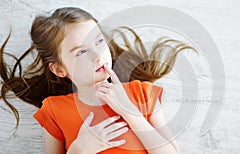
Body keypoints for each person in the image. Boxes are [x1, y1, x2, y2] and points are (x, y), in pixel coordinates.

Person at [0, 7, 195, 153]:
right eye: (81, 52)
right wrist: (79, 149)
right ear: (59, 69)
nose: (97, 56)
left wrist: (130, 113)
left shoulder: (141, 93)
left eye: (99, 42)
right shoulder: (54, 110)